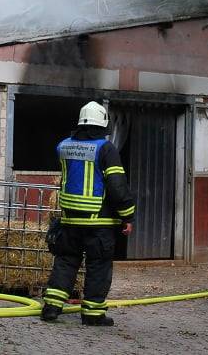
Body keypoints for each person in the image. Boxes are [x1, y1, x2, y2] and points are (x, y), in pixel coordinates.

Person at [40, 101, 135, 326]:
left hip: (70, 220)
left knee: (65, 262)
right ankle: (92, 315)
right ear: (102, 124)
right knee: (98, 266)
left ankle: (51, 308)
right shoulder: (105, 148)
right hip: (99, 222)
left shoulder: (63, 146)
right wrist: (127, 215)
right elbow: (117, 186)